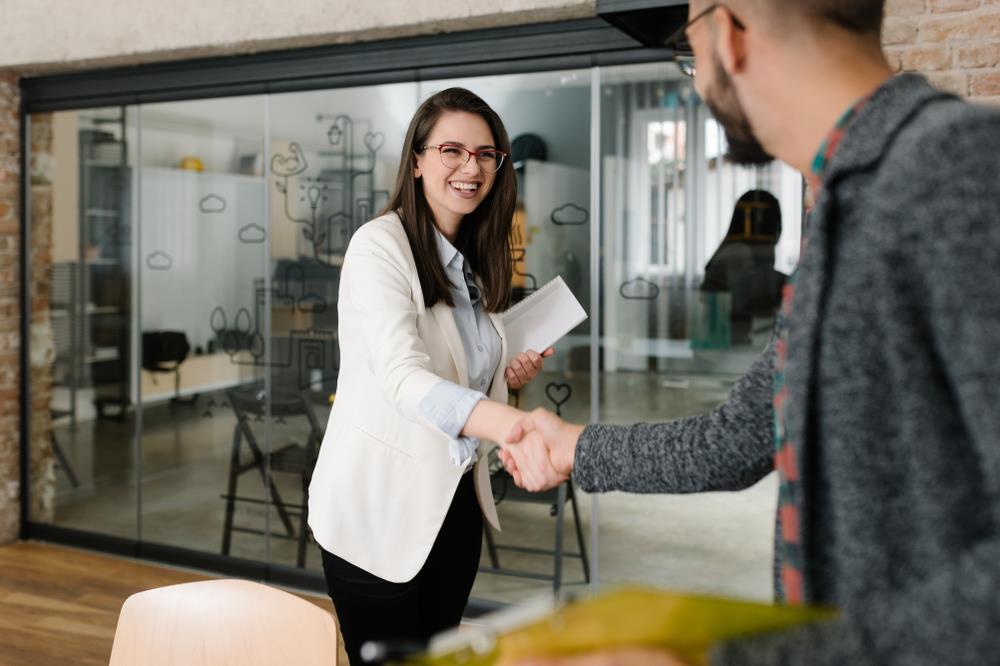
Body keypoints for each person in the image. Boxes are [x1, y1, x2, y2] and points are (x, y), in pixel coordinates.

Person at [499, 0, 1000, 664]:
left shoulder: (958, 171)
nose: (697, 77)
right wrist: (576, 446)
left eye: (689, 48)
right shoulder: (846, 210)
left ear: (727, 34)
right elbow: (738, 439)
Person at [307, 87, 553, 665]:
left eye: (486, 154)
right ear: (416, 161)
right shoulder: (379, 247)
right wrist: (514, 423)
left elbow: (461, 371)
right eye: (452, 150)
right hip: (377, 514)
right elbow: (403, 376)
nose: (471, 167)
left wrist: (506, 375)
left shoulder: (474, 258)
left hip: (454, 505)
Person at [700, 189, 786, 345]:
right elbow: (749, 297)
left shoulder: (738, 250)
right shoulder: (738, 252)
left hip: (730, 344)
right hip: (723, 349)